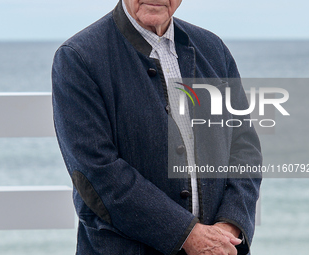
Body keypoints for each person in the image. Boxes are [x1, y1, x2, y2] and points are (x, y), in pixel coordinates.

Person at [52, 0, 262, 254]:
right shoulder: (78, 57)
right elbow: (96, 172)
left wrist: (228, 228)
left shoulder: (213, 49)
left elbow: (245, 148)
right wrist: (188, 235)